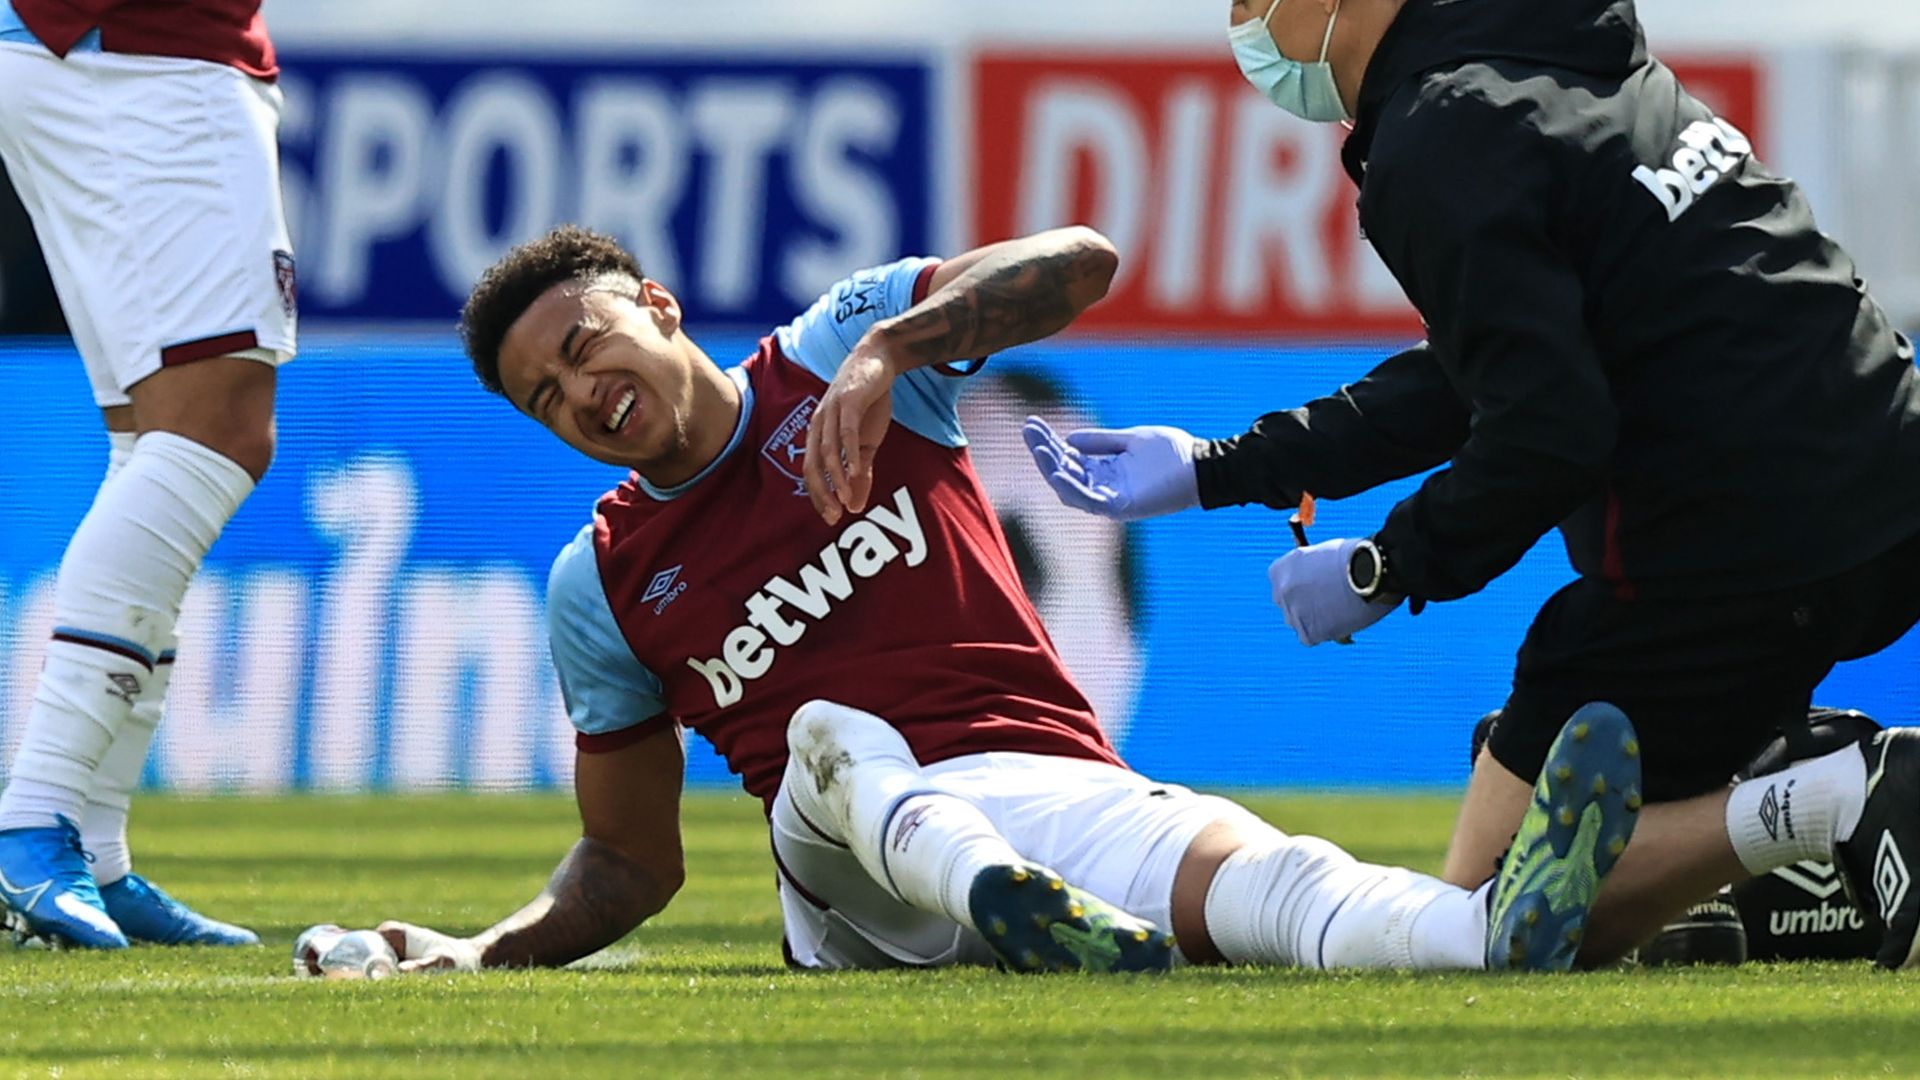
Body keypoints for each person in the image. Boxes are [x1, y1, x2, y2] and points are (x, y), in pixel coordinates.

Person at [367, 223, 1642, 976]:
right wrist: (485, 953)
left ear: (657, 305)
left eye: (582, 348)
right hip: (855, 898)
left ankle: (1481, 937)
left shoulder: (831, 356)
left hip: (1045, 795)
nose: (581, 395)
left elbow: (1080, 262)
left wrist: (894, 347)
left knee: (1277, 881)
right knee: (826, 742)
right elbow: (630, 860)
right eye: (546, 396)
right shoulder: (599, 581)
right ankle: (987, 891)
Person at [1022, 0, 1920, 968]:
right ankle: (1763, 861)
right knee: (1526, 815)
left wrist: (1386, 567)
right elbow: (1479, 375)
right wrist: (1220, 467)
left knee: (1484, 930)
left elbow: (1551, 430)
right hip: (1888, 486)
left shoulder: (1440, 135)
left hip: (1750, 551)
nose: (1240, 25)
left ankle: (1840, 796)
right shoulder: (1551, 49)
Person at [0, 0, 293, 948]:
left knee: (158, 438)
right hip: (135, 55)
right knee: (214, 434)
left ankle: (90, 843)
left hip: (99, 51)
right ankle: (32, 821)